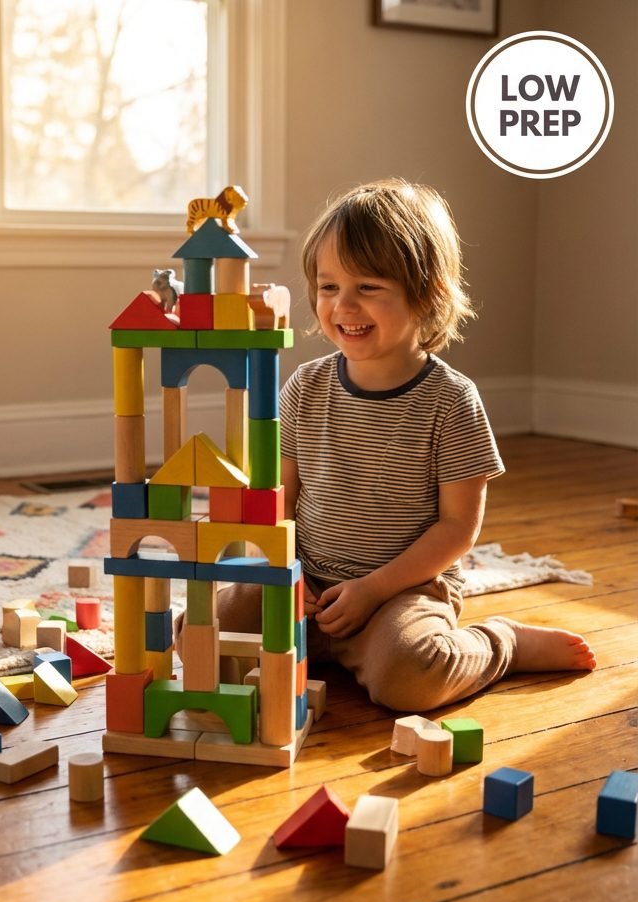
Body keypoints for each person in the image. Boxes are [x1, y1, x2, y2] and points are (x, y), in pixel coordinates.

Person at [187, 178, 596, 711]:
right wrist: (283, 569)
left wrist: (376, 589)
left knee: (411, 678)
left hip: (402, 591)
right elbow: (279, 499)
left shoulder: (452, 402)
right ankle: (325, 646)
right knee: (199, 639)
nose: (343, 306)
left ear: (427, 295)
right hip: (303, 581)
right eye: (329, 287)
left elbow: (458, 527)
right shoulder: (304, 387)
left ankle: (502, 644)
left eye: (369, 287)